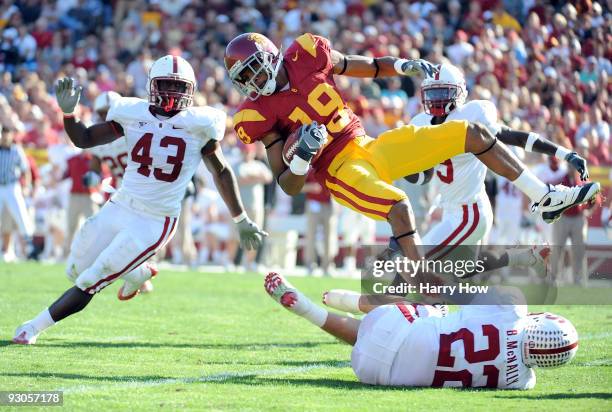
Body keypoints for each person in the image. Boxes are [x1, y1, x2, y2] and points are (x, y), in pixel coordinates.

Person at [225, 32, 600, 265]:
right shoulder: (254, 115)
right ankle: (422, 287)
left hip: (367, 144)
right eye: (243, 79)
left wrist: (403, 65)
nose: (252, 83)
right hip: (338, 170)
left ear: (271, 56)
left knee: (471, 132)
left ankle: (543, 197)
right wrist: (305, 157)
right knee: (400, 207)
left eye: (254, 70)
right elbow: (286, 184)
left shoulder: (306, 52)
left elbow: (368, 66)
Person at [13, 55, 267, 345]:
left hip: (155, 219)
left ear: (191, 90)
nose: (171, 93)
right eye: (166, 84)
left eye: (178, 86)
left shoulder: (201, 124)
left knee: (93, 277)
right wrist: (69, 114)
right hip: (121, 204)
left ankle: (31, 327)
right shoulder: (132, 113)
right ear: (151, 86)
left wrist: (241, 219)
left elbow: (221, 171)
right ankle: (136, 273)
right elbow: (84, 139)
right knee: (74, 269)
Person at [264, 272, 579, 389]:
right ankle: (310, 309)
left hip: (394, 324)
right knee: (388, 337)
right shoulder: (522, 382)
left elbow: (459, 290)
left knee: (431, 297)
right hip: (378, 375)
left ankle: (347, 300)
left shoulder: (513, 307)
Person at [0, 125, 34, 260]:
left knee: (21, 215)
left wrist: (26, 186)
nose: (4, 137)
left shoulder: (16, 150)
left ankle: (30, 247)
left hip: (11, 186)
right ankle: (6, 250)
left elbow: (25, 169)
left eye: (7, 134)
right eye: (3, 134)